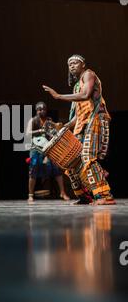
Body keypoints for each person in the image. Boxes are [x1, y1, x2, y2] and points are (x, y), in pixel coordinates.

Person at [43, 54, 115, 205]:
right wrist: (63, 126)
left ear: (83, 65)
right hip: (82, 124)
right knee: (72, 162)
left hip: (95, 120)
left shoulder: (89, 74)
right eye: (70, 64)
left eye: (75, 63)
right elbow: (77, 116)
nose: (72, 66)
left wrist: (58, 96)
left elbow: (86, 95)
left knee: (88, 158)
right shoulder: (76, 86)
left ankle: (104, 195)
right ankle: (85, 196)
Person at [27, 102, 70, 203]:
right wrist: (40, 131)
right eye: (39, 109)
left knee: (57, 169)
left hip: (48, 148)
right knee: (33, 169)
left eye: (44, 109)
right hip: (36, 148)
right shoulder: (33, 120)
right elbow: (28, 133)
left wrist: (54, 131)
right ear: (36, 110)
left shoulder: (49, 121)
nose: (42, 111)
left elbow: (54, 131)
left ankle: (62, 192)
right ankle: (30, 195)